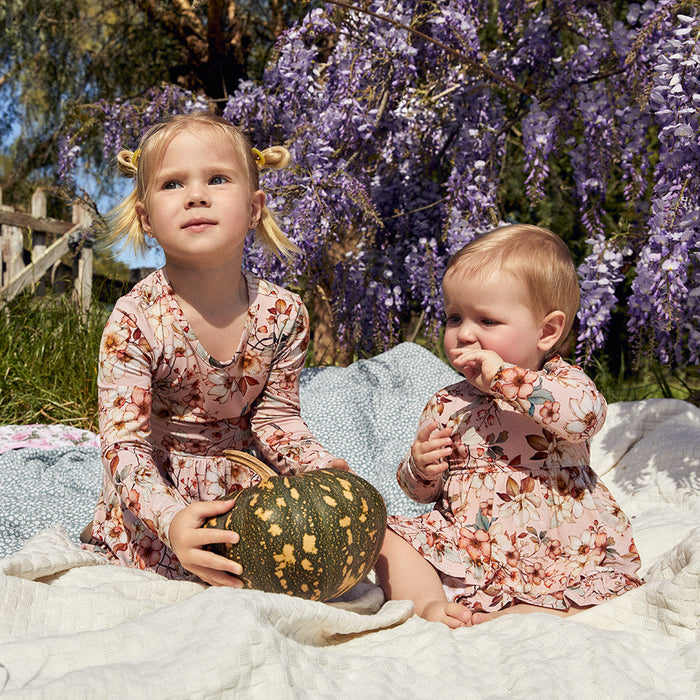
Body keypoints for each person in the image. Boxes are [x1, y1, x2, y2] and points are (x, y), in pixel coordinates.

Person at [82, 111, 348, 587]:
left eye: (218, 179)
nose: (196, 196)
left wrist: (319, 467)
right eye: (172, 185)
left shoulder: (284, 314)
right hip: (159, 503)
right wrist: (170, 521)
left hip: (246, 494)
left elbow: (277, 419)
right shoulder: (135, 319)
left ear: (254, 208)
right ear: (145, 218)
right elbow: (124, 445)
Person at [375, 224, 643, 628]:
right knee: (385, 534)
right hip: (472, 541)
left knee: (599, 584)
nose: (464, 333)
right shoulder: (448, 401)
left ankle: (540, 608)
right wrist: (421, 467)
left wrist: (508, 380)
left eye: (487, 320)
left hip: (554, 539)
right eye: (454, 317)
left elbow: (585, 417)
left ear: (547, 331)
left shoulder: (560, 382)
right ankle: (430, 604)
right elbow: (421, 494)